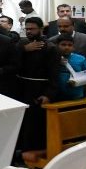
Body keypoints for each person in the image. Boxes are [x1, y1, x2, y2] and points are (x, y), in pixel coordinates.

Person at [15, 17, 60, 155]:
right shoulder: (21, 43)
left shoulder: (50, 47)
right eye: (26, 28)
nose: (29, 31)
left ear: (41, 29)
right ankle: (19, 150)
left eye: (32, 29)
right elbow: (12, 61)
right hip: (21, 87)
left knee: (34, 123)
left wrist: (48, 94)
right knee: (21, 121)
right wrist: (23, 49)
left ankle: (32, 151)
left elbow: (54, 74)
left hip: (38, 88)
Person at [55, 34, 86, 101]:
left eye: (70, 45)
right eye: (63, 45)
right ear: (57, 46)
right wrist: (55, 61)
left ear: (73, 47)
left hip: (77, 97)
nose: (67, 47)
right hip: (56, 98)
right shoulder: (51, 59)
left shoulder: (81, 59)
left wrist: (77, 82)